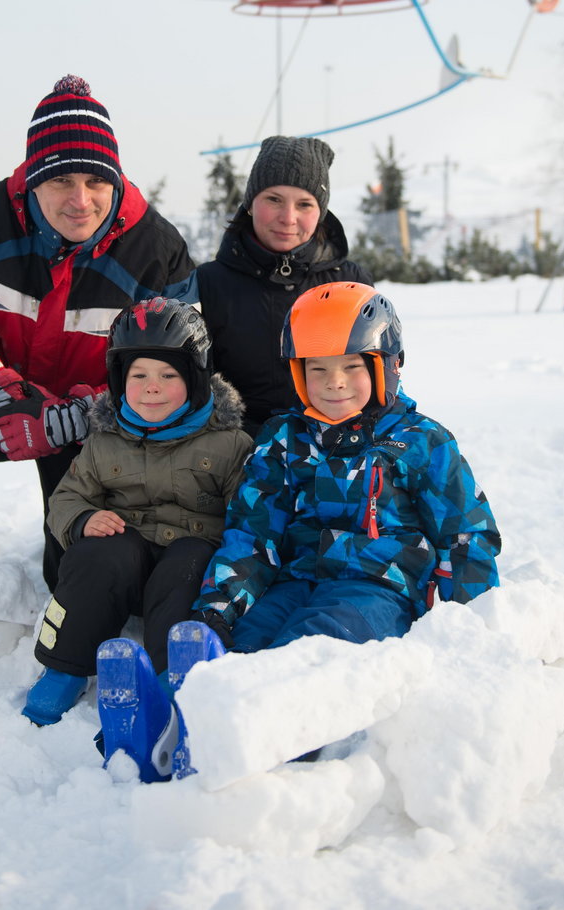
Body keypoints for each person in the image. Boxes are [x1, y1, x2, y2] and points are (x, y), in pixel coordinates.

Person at [93, 281, 501, 781]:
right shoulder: (284, 441)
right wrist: (219, 611)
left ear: (387, 366)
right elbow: (252, 535)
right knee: (246, 639)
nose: (335, 383)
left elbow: (467, 536)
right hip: (292, 580)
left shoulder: (422, 443)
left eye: (353, 367)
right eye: (318, 369)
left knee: (311, 646)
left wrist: (472, 630)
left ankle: (264, 744)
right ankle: (170, 724)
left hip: (376, 591)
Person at [0, 76, 196, 592]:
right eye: (61, 182)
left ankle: (79, 580)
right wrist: (0, 390)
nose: (80, 200)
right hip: (0, 404)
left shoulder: (156, 248)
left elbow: (180, 367)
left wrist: (78, 416)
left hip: (98, 425)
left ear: (116, 180)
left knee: (74, 583)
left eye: (96, 182)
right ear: (32, 178)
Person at [20, 297, 252, 727]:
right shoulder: (104, 440)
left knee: (187, 567)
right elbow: (67, 497)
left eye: (169, 375)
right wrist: (84, 520)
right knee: (95, 556)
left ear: (197, 380)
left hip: (190, 556)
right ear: (117, 379)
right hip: (128, 560)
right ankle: (66, 667)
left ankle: (172, 674)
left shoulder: (228, 443)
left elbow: (248, 514)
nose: (152, 387)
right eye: (138, 374)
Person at [196, 135, 372, 437]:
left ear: (321, 214)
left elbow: (378, 379)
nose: (288, 218)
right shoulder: (208, 283)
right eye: (273, 199)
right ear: (250, 203)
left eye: (305, 204)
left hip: (333, 451)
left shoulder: (350, 283)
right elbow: (194, 385)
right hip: (237, 452)